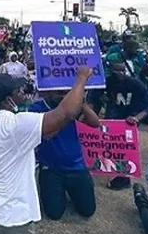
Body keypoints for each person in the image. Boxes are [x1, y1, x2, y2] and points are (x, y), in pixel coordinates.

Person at [0, 68, 91, 234]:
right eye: (18, 92)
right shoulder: (16, 124)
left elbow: (48, 129)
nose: (24, 93)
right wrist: (81, 78)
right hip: (11, 202)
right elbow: (66, 113)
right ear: (7, 100)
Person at [28, 90, 100, 221]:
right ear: (47, 92)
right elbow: (46, 135)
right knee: (54, 214)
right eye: (59, 93)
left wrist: (81, 103)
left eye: (66, 93)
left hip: (77, 166)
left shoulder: (75, 106)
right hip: (51, 168)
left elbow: (95, 123)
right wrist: (66, 115)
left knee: (88, 210)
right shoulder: (36, 108)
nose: (63, 96)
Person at [88, 61, 148, 190]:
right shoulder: (106, 82)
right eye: (117, 70)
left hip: (128, 122)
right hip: (111, 120)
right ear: (111, 71)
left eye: (123, 70)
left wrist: (136, 118)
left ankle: (123, 178)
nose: (121, 73)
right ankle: (111, 170)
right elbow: (93, 100)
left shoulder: (134, 84)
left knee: (124, 150)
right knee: (111, 147)